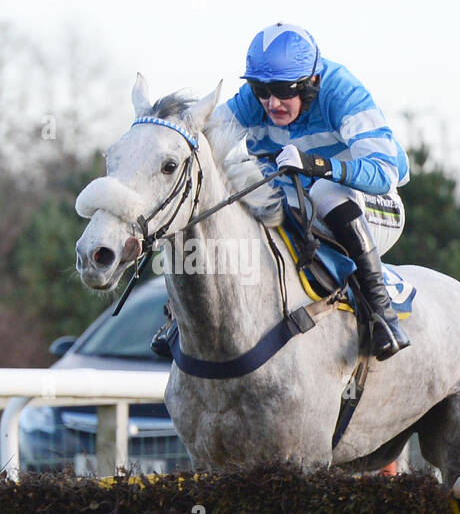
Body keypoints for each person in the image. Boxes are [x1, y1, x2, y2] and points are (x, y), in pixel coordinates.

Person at [156, 22, 410, 360]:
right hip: (295, 198)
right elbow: (199, 137)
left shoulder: (344, 92)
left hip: (373, 202)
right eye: (262, 90)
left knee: (325, 191)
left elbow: (383, 174)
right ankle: (181, 314)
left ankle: (382, 313)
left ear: (311, 83)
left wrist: (318, 165)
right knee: (239, 201)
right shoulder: (255, 99)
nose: (271, 102)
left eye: (284, 90)